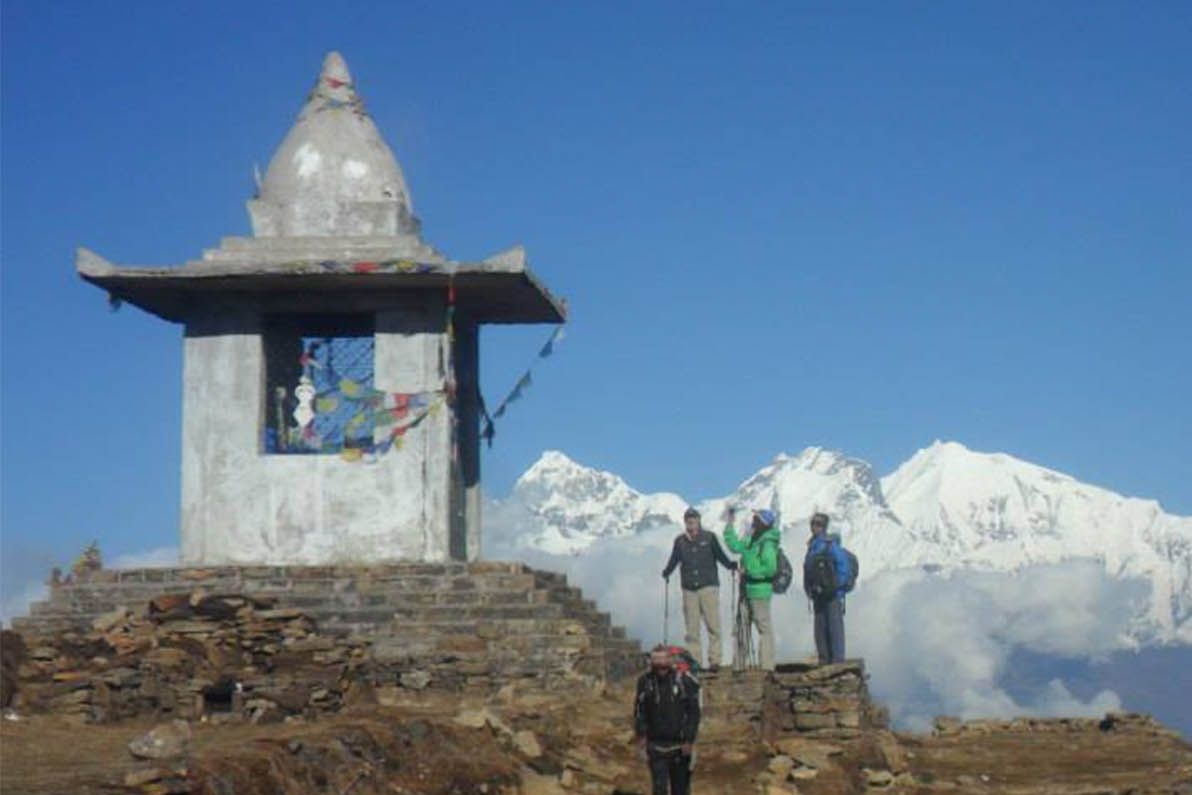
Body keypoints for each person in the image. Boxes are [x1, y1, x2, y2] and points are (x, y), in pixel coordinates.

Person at [661, 507, 737, 672]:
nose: (691, 523)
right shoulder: (680, 541)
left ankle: (715, 660)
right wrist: (667, 571)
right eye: (688, 520)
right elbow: (674, 559)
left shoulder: (709, 538)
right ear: (685, 522)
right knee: (692, 628)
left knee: (713, 625)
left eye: (693, 520)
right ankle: (695, 662)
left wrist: (730, 565)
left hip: (708, 587)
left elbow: (720, 555)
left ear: (698, 521)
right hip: (689, 589)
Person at [634, 645, 701, 795]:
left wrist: (689, 739)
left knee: (680, 789)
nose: (659, 664)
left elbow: (693, 712)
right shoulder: (645, 682)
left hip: (679, 746)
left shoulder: (683, 681)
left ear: (670, 660)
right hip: (655, 746)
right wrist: (641, 735)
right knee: (659, 788)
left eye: (662, 659)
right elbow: (640, 711)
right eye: (655, 659)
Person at [723, 508, 780, 671]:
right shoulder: (752, 540)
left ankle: (767, 666)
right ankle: (739, 665)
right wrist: (729, 525)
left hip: (759, 591)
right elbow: (734, 546)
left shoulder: (767, 544)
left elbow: (770, 569)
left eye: (756, 519)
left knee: (763, 629)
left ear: (763, 524)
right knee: (742, 626)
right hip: (747, 589)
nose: (753, 522)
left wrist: (749, 572)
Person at [803, 512, 850, 664]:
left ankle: (837, 660)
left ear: (824, 527)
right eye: (813, 524)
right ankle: (824, 658)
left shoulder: (830, 545)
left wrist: (836, 586)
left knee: (834, 627)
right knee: (820, 629)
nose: (814, 527)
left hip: (832, 594)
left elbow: (844, 566)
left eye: (818, 524)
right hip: (818, 594)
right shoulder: (812, 547)